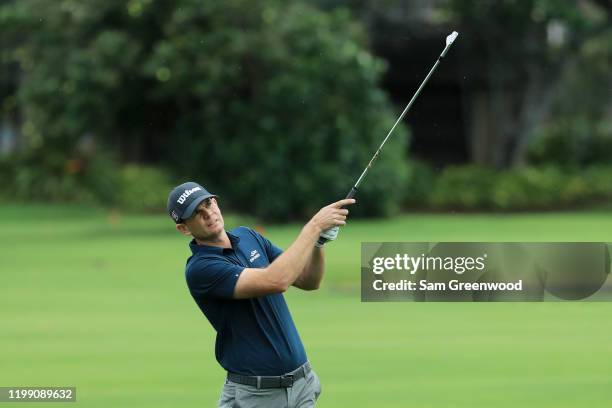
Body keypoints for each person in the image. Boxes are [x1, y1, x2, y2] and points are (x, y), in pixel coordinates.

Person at [167, 181, 355, 407]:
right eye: (197, 213)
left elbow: (309, 280)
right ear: (184, 228)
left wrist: (319, 243)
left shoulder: (248, 236)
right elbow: (277, 280)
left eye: (208, 203)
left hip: (302, 384)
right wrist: (313, 227)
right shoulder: (201, 268)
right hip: (258, 394)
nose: (208, 213)